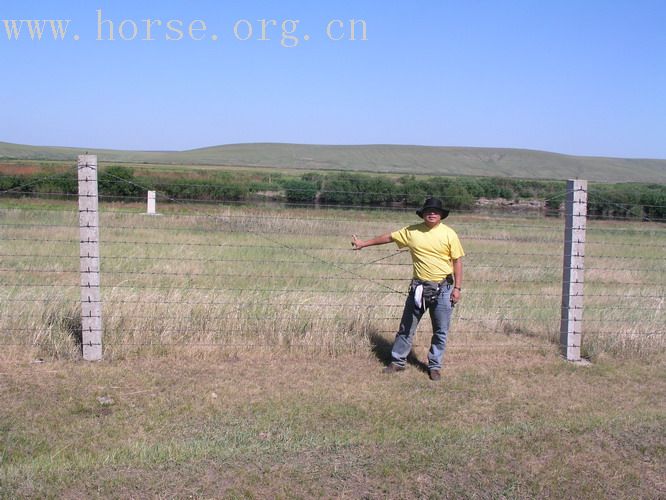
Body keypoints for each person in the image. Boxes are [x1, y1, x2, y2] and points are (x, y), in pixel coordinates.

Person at [351, 197, 464, 381]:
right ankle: (397, 362)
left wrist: (457, 288)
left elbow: (458, 262)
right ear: (423, 213)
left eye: (436, 211)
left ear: (441, 215)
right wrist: (364, 243)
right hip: (418, 288)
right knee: (406, 328)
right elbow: (389, 237)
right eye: (429, 211)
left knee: (441, 330)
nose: (432, 213)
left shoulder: (450, 234)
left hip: (444, 289)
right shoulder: (412, 231)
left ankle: (434, 366)